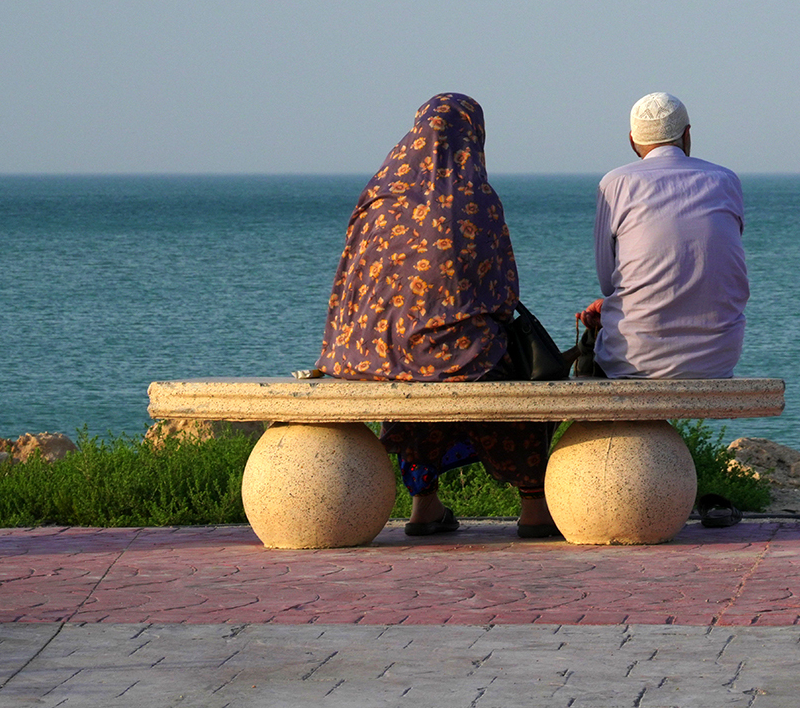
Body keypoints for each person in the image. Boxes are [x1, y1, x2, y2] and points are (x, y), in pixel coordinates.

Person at [317, 93, 557, 539]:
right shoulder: (473, 197)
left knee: (413, 360)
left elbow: (352, 279)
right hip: (453, 357)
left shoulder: (379, 193)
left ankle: (424, 504)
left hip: (373, 354)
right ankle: (533, 505)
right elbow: (503, 294)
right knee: (505, 365)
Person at [582, 92, 749, 378]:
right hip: (718, 361)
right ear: (687, 134)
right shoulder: (726, 180)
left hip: (633, 361)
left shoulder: (616, 183)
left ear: (632, 140)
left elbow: (608, 283)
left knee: (588, 357)